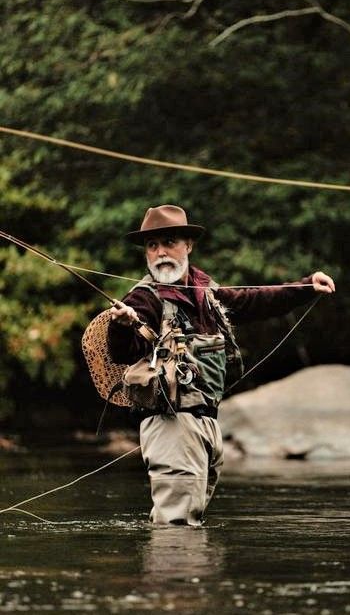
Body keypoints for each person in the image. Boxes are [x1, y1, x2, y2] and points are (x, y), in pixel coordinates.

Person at [107, 204, 335, 525]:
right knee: (177, 526)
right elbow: (123, 352)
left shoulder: (205, 292)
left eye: (169, 242)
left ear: (188, 245)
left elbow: (252, 301)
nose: (160, 253)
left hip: (207, 424)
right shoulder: (143, 299)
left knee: (187, 522)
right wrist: (120, 324)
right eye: (152, 245)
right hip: (171, 426)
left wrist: (306, 286)